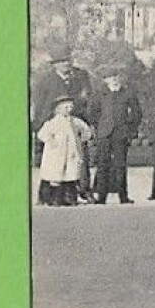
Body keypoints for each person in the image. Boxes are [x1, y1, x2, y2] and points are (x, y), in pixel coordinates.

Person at [31, 47, 95, 204]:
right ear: (55, 64)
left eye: (68, 60)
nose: (66, 64)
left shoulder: (80, 77)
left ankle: (81, 191)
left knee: (79, 160)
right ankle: (48, 196)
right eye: (62, 62)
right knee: (53, 163)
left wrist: (88, 123)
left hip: (74, 126)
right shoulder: (45, 81)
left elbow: (88, 99)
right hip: (54, 128)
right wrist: (40, 127)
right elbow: (39, 106)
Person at [90, 69, 141, 204]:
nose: (113, 79)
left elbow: (136, 114)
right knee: (102, 165)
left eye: (115, 76)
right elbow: (92, 113)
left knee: (120, 165)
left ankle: (123, 196)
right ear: (104, 80)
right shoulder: (99, 94)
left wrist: (130, 130)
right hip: (104, 134)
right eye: (109, 77)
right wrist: (99, 127)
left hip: (121, 134)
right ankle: (101, 197)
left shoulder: (128, 93)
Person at [36, 96, 89, 206]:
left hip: (71, 153)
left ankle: (70, 198)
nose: (69, 109)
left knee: (71, 175)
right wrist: (51, 140)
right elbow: (42, 134)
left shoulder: (74, 121)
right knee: (56, 175)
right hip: (57, 153)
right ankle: (55, 198)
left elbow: (86, 130)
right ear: (59, 108)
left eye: (70, 107)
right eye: (66, 107)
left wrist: (81, 139)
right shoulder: (54, 122)